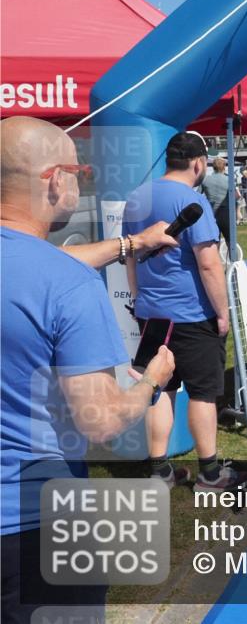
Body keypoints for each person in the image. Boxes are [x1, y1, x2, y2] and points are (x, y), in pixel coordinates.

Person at [1, 117, 178, 623]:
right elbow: (100, 421)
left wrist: (131, 244)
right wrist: (150, 382)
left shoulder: (55, 273)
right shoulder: (69, 287)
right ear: (54, 180)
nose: (82, 182)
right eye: (80, 171)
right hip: (37, 523)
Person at [123, 132, 247, 492]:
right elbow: (209, 265)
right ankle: (210, 473)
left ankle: (159, 469)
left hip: (152, 312)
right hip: (193, 314)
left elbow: (130, 255)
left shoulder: (136, 198)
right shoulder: (192, 201)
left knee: (159, 389)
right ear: (198, 163)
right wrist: (222, 312)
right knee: (203, 393)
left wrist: (138, 299)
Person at [201, 157, 231, 242]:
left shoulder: (205, 179)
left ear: (213, 167)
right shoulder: (229, 180)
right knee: (230, 241)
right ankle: (232, 255)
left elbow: (197, 195)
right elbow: (237, 196)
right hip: (226, 214)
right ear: (224, 167)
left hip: (211, 214)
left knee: (213, 242)